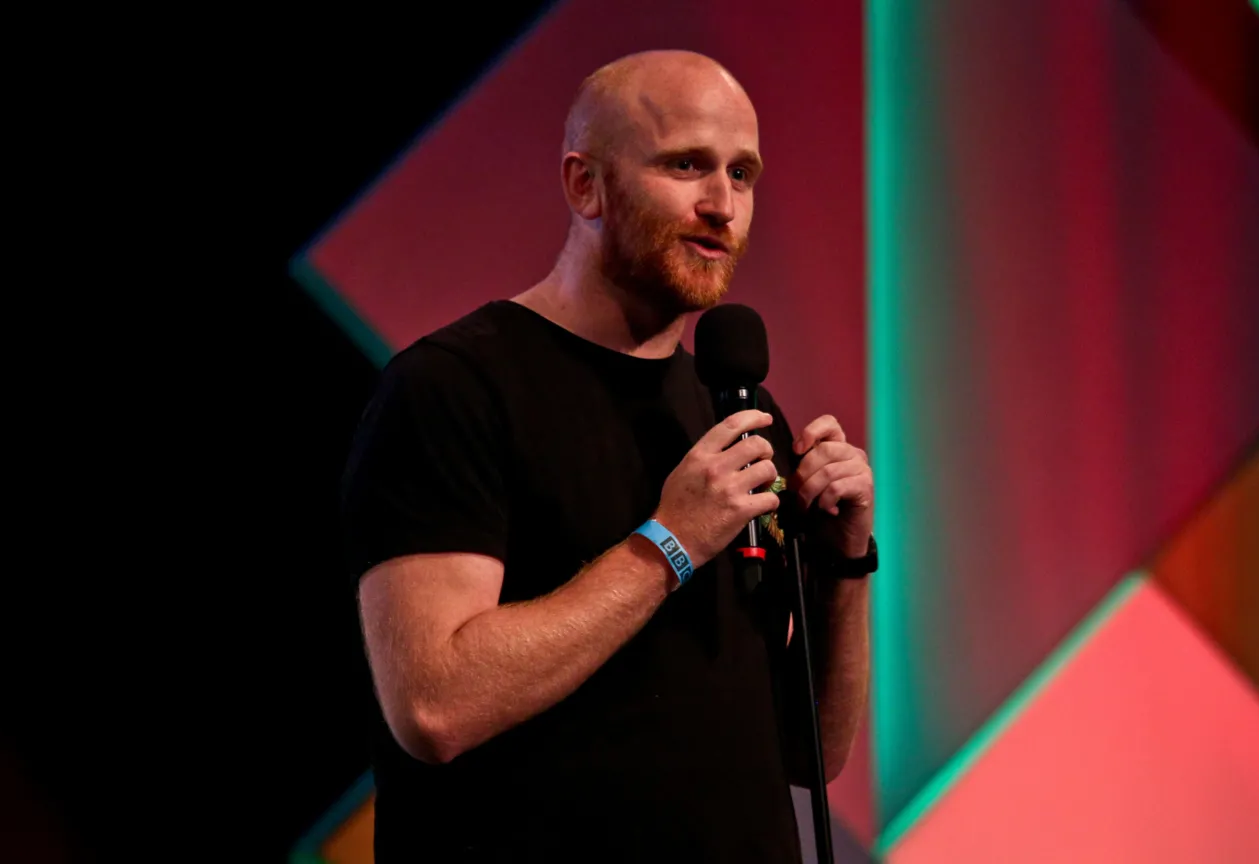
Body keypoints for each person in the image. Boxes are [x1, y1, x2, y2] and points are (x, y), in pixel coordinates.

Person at [340, 49, 875, 862]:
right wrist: (669, 544)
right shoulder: (452, 389)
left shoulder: (740, 415)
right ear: (584, 184)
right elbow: (434, 706)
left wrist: (844, 564)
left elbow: (809, 754)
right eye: (686, 165)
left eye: (742, 173)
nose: (722, 205)